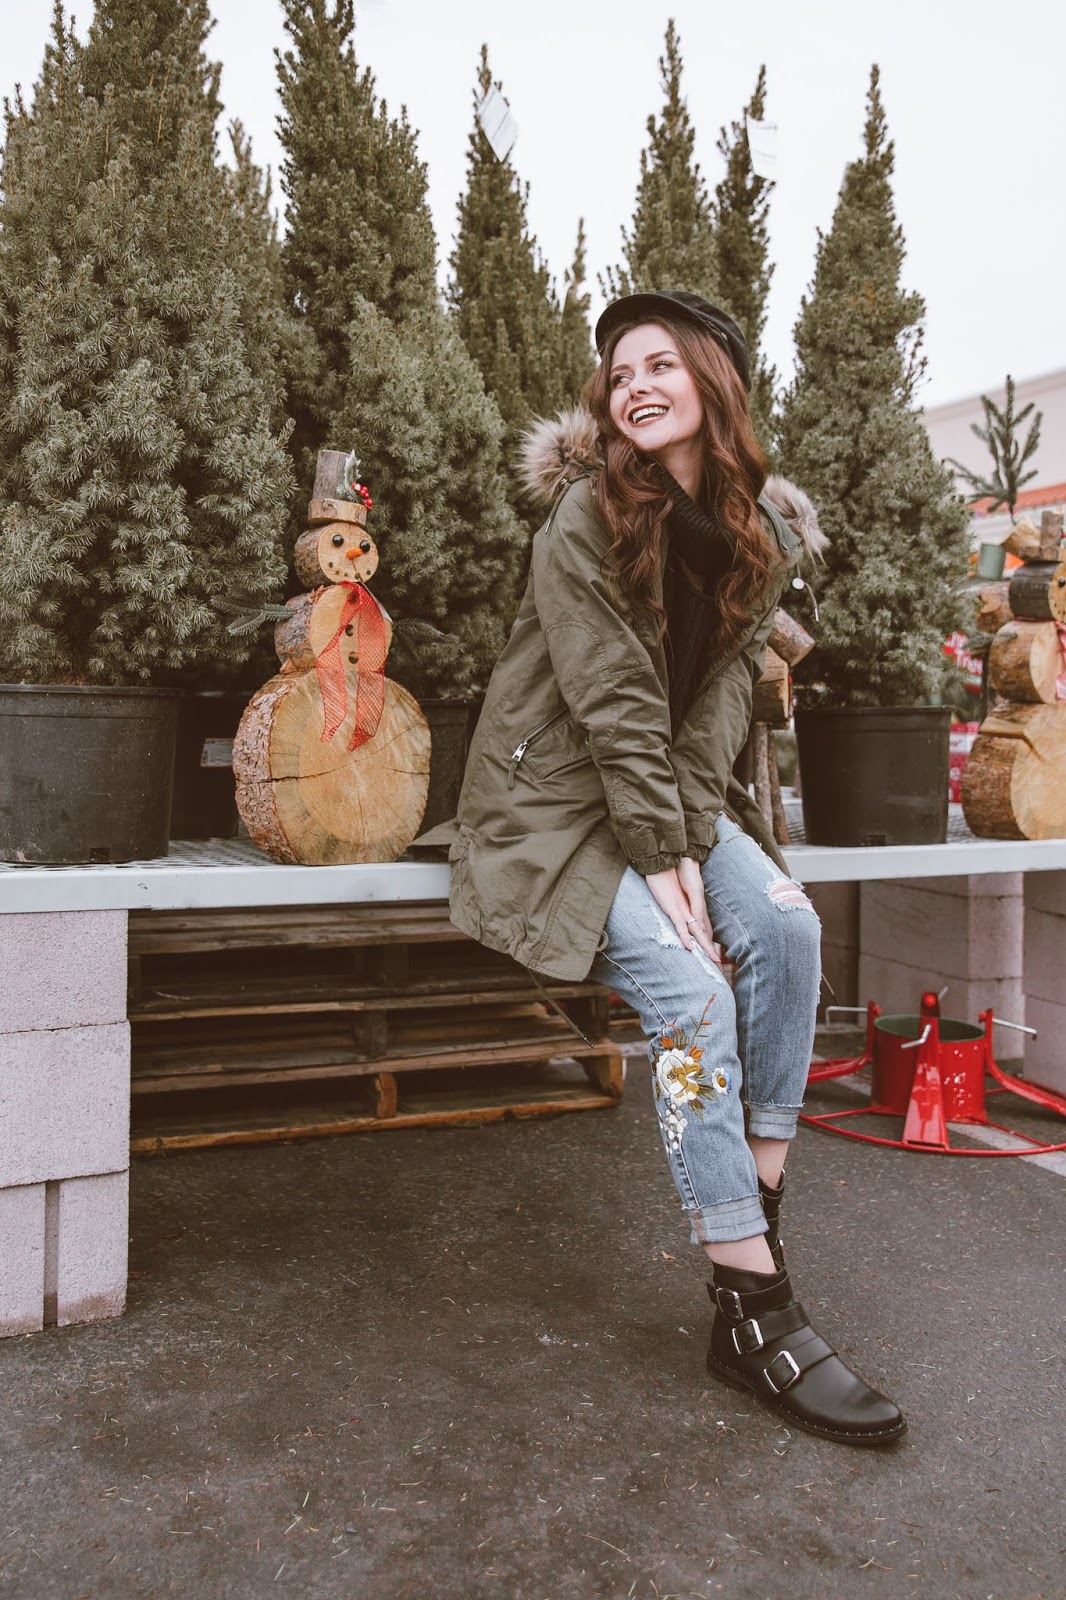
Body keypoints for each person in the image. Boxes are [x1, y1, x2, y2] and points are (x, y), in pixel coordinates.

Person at [422, 290, 905, 1447]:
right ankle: (755, 1308)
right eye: (619, 371)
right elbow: (611, 699)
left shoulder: (755, 534)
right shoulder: (584, 517)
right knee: (690, 997)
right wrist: (663, 857)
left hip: (657, 796)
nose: (633, 385)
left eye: (658, 365)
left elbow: (715, 710)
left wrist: (687, 841)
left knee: (784, 926)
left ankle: (753, 1223)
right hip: (556, 801)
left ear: (711, 381)